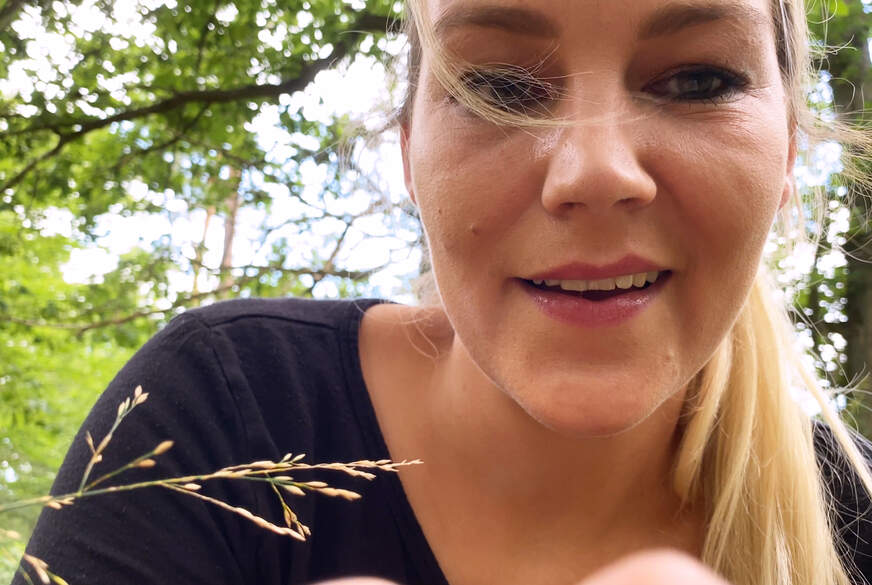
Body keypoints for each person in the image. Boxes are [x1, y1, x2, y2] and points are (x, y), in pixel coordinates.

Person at [12, 1, 872, 584]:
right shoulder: (218, 414)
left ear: (789, 152)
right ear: (409, 152)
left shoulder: (856, 521)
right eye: (499, 87)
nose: (596, 171)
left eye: (697, 80)